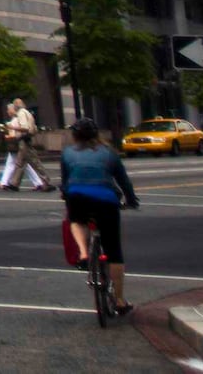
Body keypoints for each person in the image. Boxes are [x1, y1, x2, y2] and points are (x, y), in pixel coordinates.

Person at [60, 118, 142, 316]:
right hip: (106, 200)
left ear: (75, 136)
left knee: (76, 220)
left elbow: (65, 181)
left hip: (77, 196)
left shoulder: (67, 153)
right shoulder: (109, 153)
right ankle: (120, 301)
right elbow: (123, 181)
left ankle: (83, 253)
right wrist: (131, 200)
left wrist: (66, 194)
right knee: (114, 250)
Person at [0, 98, 49, 191]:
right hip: (26, 139)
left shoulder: (21, 114)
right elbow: (33, 127)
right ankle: (14, 184)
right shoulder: (27, 113)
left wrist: (11, 127)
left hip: (23, 140)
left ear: (15, 106)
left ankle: (45, 182)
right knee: (21, 163)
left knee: (32, 162)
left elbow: (24, 128)